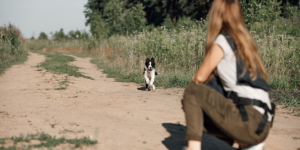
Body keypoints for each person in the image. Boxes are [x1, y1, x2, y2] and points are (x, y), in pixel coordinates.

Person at [181, 0, 275, 150]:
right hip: (264, 122)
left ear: (216, 15)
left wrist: (188, 101)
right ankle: (248, 144)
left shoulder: (224, 39)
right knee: (198, 110)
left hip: (249, 119)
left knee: (192, 91)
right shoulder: (246, 42)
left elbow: (199, 78)